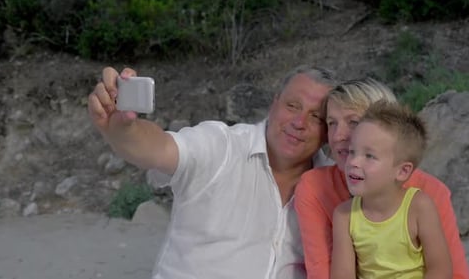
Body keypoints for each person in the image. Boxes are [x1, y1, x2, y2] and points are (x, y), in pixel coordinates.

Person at [88, 65, 338, 279]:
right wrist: (123, 130)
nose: (299, 123)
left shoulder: (335, 187)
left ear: (329, 130)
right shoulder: (221, 146)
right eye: (293, 106)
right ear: (274, 103)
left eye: (316, 117)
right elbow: (159, 147)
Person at [294, 78, 469, 279]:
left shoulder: (428, 194)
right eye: (332, 123)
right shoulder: (319, 191)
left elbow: (452, 273)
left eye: (353, 122)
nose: (337, 136)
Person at [330, 101, 452, 279]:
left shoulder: (419, 207)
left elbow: (441, 270)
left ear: (402, 171)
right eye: (352, 152)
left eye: (369, 156)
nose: (353, 162)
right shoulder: (344, 215)